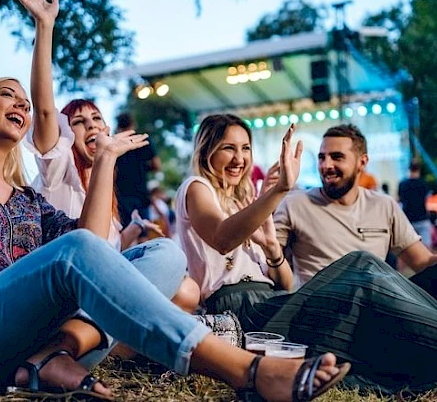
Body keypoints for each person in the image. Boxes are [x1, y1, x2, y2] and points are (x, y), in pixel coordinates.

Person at [0, 0, 348, 402]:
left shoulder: (29, 202)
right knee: (78, 251)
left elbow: (92, 243)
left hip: (27, 339)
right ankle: (246, 370)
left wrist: (109, 157)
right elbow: (78, 248)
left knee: (163, 254)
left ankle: (49, 358)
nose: (21, 101)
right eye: (6, 93)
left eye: (24, 96)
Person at [176, 113, 437, 395]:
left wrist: (273, 249)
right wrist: (280, 190)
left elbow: (285, 283)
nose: (239, 158)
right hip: (242, 313)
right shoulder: (196, 187)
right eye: (229, 148)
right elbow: (222, 238)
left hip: (273, 303)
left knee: (376, 307)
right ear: (206, 150)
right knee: (362, 264)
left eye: (245, 148)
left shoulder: (244, 200)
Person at [13, 0, 199, 315]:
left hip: (96, 286)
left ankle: (107, 340)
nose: (92, 126)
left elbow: (105, 250)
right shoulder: (58, 170)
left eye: (97, 118)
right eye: (79, 121)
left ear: (109, 129)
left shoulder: (105, 184)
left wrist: (129, 235)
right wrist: (45, 26)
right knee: (176, 291)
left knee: (183, 286)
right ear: (65, 133)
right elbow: (43, 110)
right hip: (62, 291)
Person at [274, 124, 437, 296]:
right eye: (322, 157)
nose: (326, 165)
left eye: (337, 157)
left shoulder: (384, 205)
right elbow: (268, 262)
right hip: (320, 310)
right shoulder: (294, 204)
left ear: (362, 162)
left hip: (373, 308)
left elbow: (423, 262)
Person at [115, 112, 161, 226]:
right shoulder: (143, 140)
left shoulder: (115, 143)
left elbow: (112, 171)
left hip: (121, 194)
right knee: (143, 230)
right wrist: (143, 167)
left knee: (124, 232)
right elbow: (157, 165)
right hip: (141, 193)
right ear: (133, 124)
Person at [398, 160, 433, 248]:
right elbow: (427, 201)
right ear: (419, 169)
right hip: (422, 218)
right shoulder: (424, 183)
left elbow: (399, 200)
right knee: (426, 248)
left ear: (409, 169)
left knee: (409, 249)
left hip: (408, 220)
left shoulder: (403, 184)